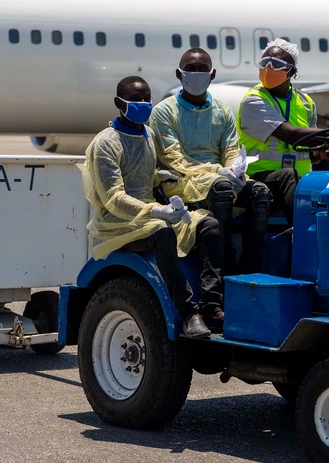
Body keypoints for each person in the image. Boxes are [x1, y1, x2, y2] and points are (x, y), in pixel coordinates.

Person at [81, 76, 225, 338]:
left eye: (147, 99)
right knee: (161, 230)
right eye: (136, 100)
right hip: (118, 222)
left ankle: (212, 305)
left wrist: (161, 176)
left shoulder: (148, 134)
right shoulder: (105, 143)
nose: (143, 104)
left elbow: (141, 174)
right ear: (118, 103)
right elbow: (113, 197)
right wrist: (156, 211)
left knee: (209, 225)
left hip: (148, 212)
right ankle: (188, 313)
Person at [150, 48, 271, 274]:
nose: (196, 74)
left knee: (260, 193)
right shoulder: (163, 112)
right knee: (222, 188)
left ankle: (250, 265)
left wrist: (236, 170)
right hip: (183, 181)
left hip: (218, 178)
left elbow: (231, 149)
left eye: (202, 70)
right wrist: (219, 171)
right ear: (179, 74)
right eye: (190, 69)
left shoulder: (222, 111)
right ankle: (226, 261)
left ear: (212, 74)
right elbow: (175, 159)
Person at [237, 39, 329, 225]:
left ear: (291, 71)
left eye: (275, 65)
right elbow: (291, 134)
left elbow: (307, 146)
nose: (267, 69)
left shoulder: (306, 103)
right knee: (289, 177)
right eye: (263, 63)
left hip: (299, 181)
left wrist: (320, 153)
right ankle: (300, 238)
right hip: (259, 178)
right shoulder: (254, 100)